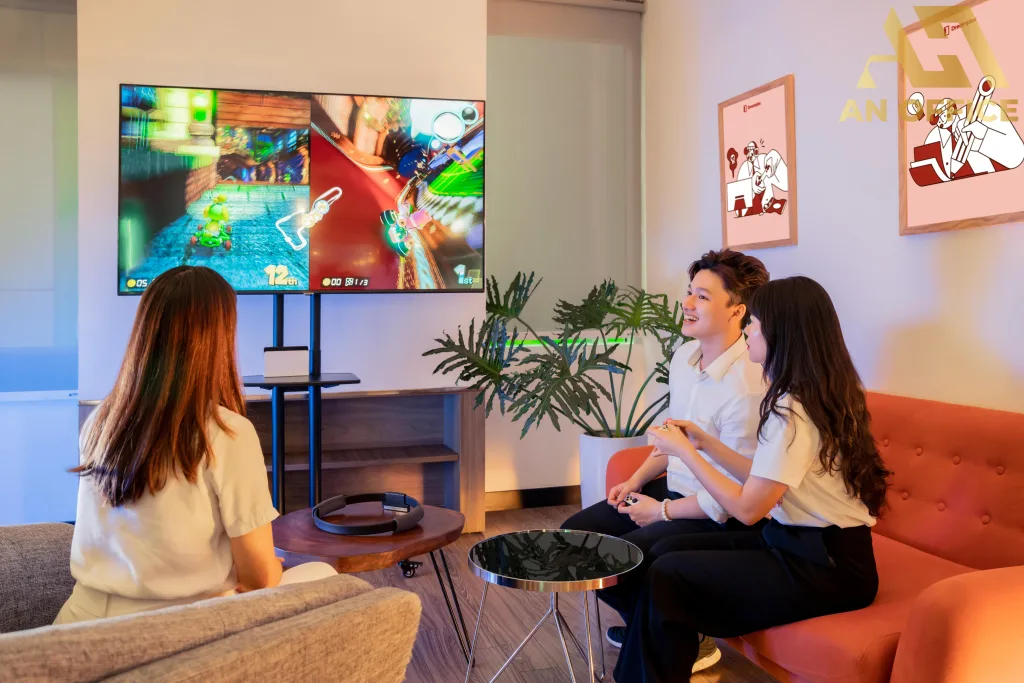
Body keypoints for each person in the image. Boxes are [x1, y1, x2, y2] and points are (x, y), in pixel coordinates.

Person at [614, 276, 892, 682]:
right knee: (664, 556)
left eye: (755, 325)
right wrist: (707, 444)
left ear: (782, 334)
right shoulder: (813, 393)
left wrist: (685, 452)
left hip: (828, 566)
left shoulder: (793, 409)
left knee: (670, 574)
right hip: (798, 544)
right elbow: (768, 478)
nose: (747, 332)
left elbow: (748, 510)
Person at [55, 266, 336, 624]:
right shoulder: (227, 432)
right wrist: (265, 567)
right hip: (179, 629)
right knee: (324, 575)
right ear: (218, 338)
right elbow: (259, 579)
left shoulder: (102, 420)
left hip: (78, 624)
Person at [562, 249, 769, 671]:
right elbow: (673, 439)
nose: (687, 303)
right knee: (576, 538)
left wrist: (661, 512)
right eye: (689, 292)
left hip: (719, 510)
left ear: (737, 311)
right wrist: (636, 480)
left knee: (626, 556)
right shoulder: (684, 358)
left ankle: (675, 631)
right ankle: (660, 627)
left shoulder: (747, 385)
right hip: (674, 489)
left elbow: (739, 494)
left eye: (703, 297)